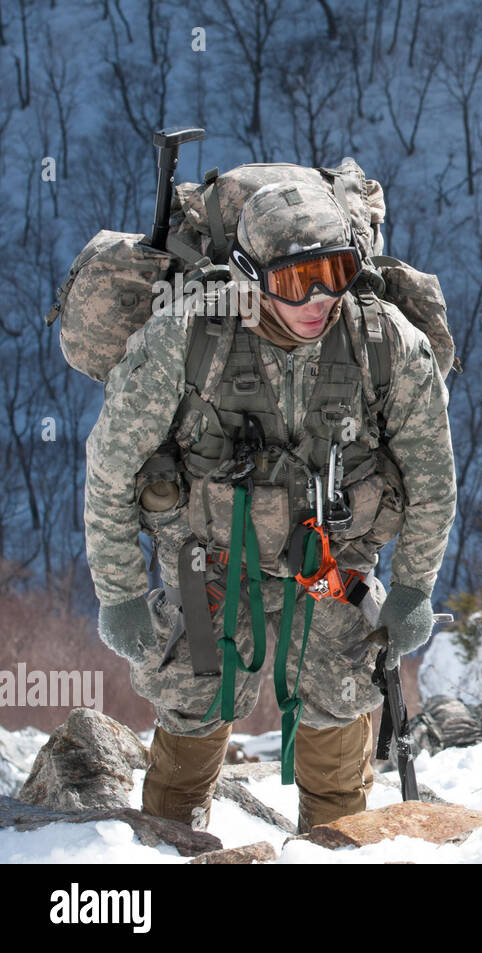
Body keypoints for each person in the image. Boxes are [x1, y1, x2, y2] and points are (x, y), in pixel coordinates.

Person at [87, 179, 457, 831]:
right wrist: (118, 590)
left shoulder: (386, 343)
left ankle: (334, 842)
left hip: (333, 573)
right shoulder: (189, 336)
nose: (318, 298)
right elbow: (112, 463)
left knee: (341, 713)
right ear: (251, 277)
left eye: (336, 273)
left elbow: (431, 475)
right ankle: (169, 840)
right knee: (192, 703)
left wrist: (413, 589)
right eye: (294, 281)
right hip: (212, 569)